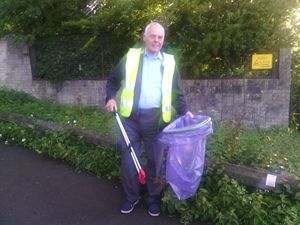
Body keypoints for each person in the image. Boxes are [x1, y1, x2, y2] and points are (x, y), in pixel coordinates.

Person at [105, 22, 193, 217]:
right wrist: (111, 98)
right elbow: (113, 80)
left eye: (160, 37)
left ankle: (153, 199)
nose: (156, 40)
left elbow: (177, 91)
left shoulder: (169, 62)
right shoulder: (131, 57)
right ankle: (132, 196)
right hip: (130, 119)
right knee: (129, 161)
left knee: (156, 161)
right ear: (144, 38)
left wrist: (184, 110)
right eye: (153, 36)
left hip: (157, 121)